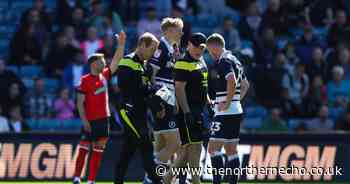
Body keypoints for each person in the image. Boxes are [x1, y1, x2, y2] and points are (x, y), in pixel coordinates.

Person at [72, 31, 126, 184]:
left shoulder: (105, 76)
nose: (104, 62)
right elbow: (79, 103)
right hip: (90, 120)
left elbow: (116, 61)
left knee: (98, 152)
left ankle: (91, 180)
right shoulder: (84, 80)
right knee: (83, 150)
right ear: (93, 63)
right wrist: (84, 121)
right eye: (101, 60)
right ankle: (77, 177)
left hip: (104, 120)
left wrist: (121, 45)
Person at [113, 32, 163, 184]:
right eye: (152, 49)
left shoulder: (145, 66)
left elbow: (145, 90)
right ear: (142, 45)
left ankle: (118, 181)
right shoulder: (127, 62)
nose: (153, 53)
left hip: (140, 112)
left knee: (128, 151)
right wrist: (151, 88)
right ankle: (156, 180)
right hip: (128, 110)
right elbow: (125, 87)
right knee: (146, 145)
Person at [164, 33, 208, 184]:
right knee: (192, 149)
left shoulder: (201, 62)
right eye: (196, 46)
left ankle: (166, 180)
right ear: (188, 44)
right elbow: (179, 89)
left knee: (190, 151)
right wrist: (187, 112)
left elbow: (204, 87)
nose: (198, 50)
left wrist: (209, 103)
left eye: (202, 47)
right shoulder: (182, 63)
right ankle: (195, 181)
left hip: (200, 112)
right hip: (188, 112)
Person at [205, 33, 249, 184]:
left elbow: (231, 81)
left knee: (213, 149)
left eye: (210, 51)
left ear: (216, 46)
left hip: (225, 111)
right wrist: (235, 101)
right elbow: (245, 85)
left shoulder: (223, 61)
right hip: (236, 110)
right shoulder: (235, 60)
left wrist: (228, 102)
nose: (210, 55)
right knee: (231, 151)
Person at [148, 17, 183, 167]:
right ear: (169, 30)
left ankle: (153, 178)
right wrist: (158, 103)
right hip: (162, 97)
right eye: (179, 30)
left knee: (161, 144)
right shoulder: (161, 46)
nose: (181, 33)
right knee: (175, 144)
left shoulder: (172, 48)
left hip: (169, 97)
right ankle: (152, 171)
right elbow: (152, 75)